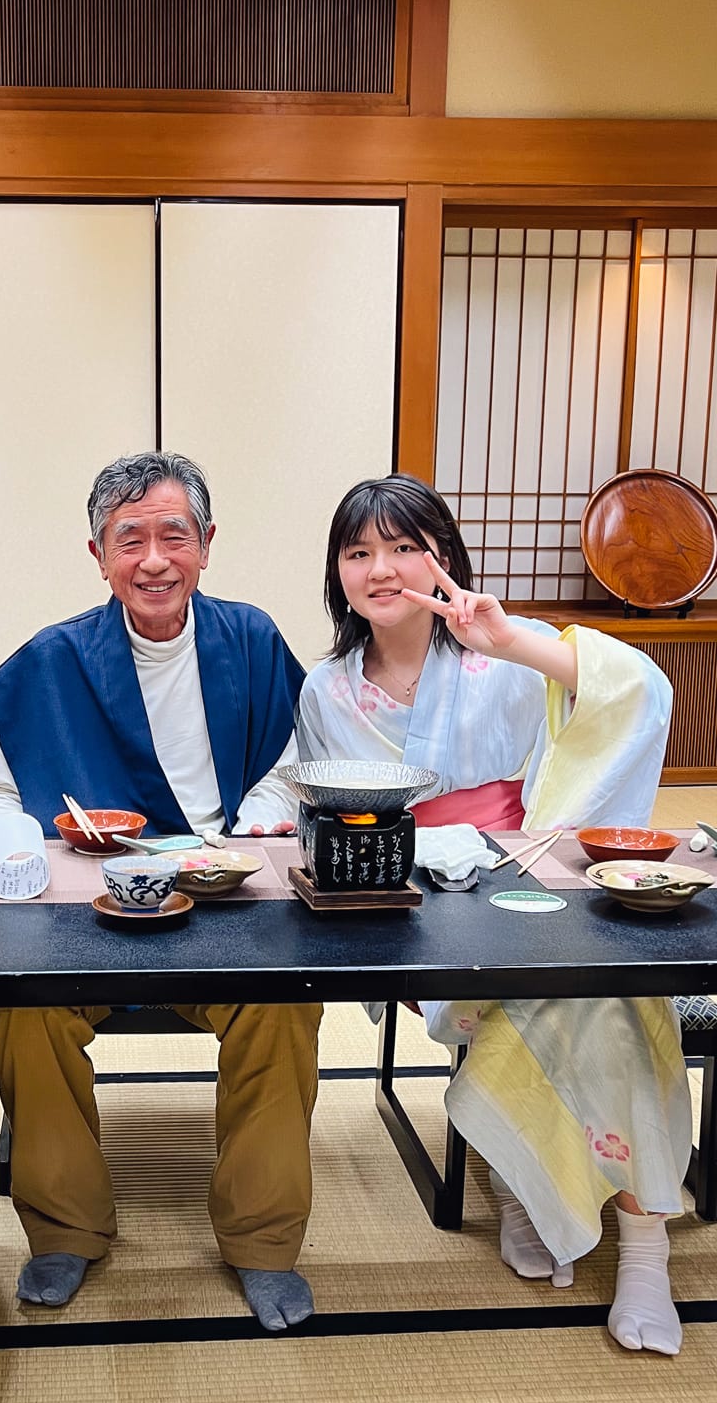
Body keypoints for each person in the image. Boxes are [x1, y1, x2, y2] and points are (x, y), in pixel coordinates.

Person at [296, 473, 692, 1354]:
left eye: (404, 547)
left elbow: (638, 694)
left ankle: (641, 1250)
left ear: (443, 557)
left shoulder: (496, 652)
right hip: (413, 905)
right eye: (359, 552)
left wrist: (513, 638)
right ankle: (520, 1175)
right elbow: (313, 807)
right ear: (338, 574)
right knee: (556, 992)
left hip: (528, 878)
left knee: (612, 996)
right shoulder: (327, 689)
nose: (382, 568)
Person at [0, 450, 324, 1331]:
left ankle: (263, 1241)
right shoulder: (54, 659)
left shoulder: (250, 638)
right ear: (98, 554)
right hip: (95, 901)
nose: (154, 559)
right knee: (23, 1007)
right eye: (131, 539)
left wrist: (256, 826)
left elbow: (294, 770)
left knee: (285, 1003)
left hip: (225, 892)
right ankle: (63, 1228)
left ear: (207, 544)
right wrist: (36, 842)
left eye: (175, 535)